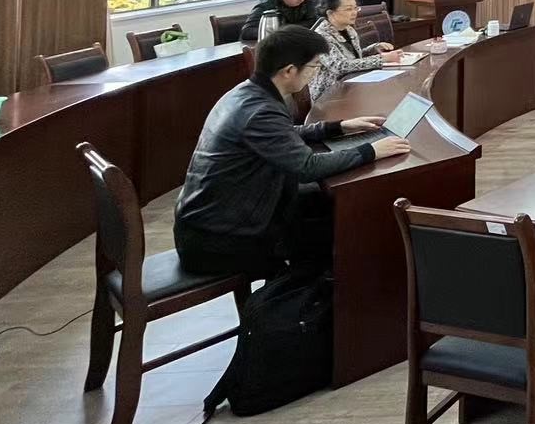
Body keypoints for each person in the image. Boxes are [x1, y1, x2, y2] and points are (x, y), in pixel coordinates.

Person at [174, 26, 411, 278]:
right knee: (342, 227)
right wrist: (371, 150)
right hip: (220, 240)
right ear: (289, 71)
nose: (315, 73)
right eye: (314, 66)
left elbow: (281, 134)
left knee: (325, 206)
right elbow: (307, 167)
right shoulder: (260, 110)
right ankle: (308, 295)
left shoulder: (248, 92)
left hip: (218, 219)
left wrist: (338, 127)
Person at [308, 0, 401, 102]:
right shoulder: (321, 36)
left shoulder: (349, 29)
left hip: (351, 85)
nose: (354, 13)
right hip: (329, 94)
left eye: (356, 8)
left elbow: (354, 58)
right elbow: (340, 66)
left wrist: (374, 48)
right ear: (330, 13)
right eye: (348, 9)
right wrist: (381, 59)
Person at [239, 0, 317, 43]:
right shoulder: (266, 6)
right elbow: (246, 32)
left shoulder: (306, 1)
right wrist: (281, 31)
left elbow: (312, 21)